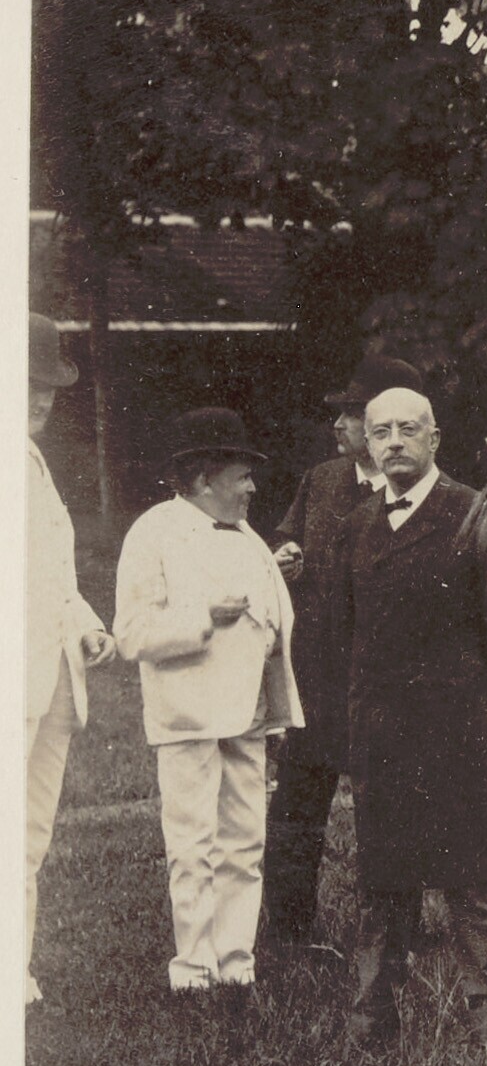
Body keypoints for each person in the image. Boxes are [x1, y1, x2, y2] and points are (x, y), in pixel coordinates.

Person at [321, 384, 487, 1045]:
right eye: (381, 432)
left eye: (408, 429)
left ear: (434, 439)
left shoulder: (472, 516)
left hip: (459, 727)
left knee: (472, 878)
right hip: (383, 734)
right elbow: (341, 635)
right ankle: (373, 1017)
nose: (394, 442)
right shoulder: (355, 528)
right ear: (367, 443)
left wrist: (480, 704)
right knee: (384, 880)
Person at [112, 407, 302, 998]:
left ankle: (236, 961)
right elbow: (131, 634)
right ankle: (192, 971)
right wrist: (203, 617)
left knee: (245, 840)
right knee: (193, 844)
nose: (252, 489)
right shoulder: (153, 532)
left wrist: (276, 578)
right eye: (241, 476)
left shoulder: (246, 535)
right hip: (189, 715)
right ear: (201, 478)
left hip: (248, 710)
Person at [266, 352, 421, 949]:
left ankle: (394, 931)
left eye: (352, 415)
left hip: (387, 684)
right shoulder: (322, 480)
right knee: (296, 807)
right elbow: (287, 536)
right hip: (317, 679)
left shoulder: (425, 495)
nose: (339, 425)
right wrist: (285, 555)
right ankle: (288, 929)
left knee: (390, 810)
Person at [26, 315, 118, 1004]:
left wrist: (86, 624)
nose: (39, 399)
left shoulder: (33, 461)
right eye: (25, 384)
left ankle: (16, 967)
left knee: (29, 832)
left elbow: (52, 576)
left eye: (48, 387)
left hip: (51, 677)